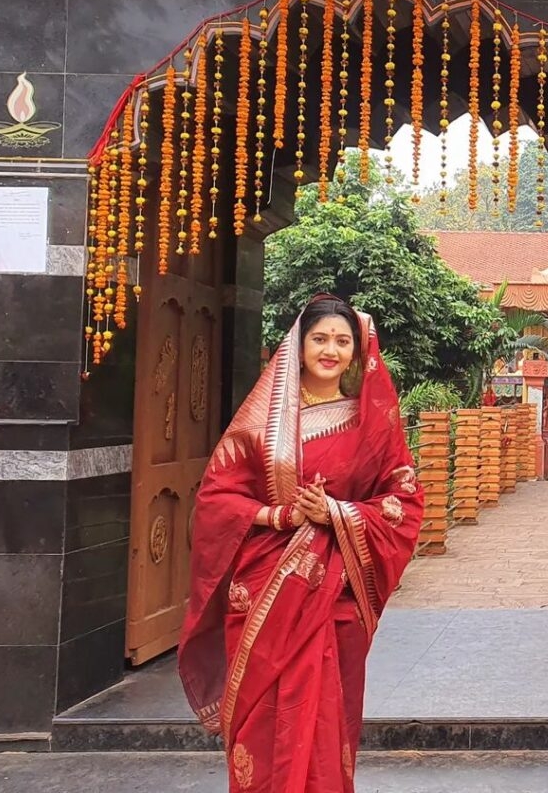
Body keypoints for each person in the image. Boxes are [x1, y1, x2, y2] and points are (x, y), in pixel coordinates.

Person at [179, 294, 424, 793]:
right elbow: (217, 497)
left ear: (357, 352)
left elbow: (404, 501)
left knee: (327, 720)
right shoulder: (263, 423)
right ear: (298, 344)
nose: (329, 350)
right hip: (265, 589)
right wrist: (280, 514)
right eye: (320, 339)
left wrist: (335, 512)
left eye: (341, 341)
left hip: (335, 597)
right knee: (263, 722)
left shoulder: (369, 423)